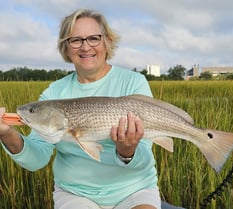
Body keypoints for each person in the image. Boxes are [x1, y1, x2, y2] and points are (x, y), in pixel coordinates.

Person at [0, 9, 185, 209]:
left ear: (107, 42)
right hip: (75, 193)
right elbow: (36, 159)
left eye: (94, 38)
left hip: (135, 189)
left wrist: (126, 151)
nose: (86, 46)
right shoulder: (54, 93)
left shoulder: (134, 82)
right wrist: (7, 133)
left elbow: (143, 156)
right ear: (66, 48)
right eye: (76, 40)